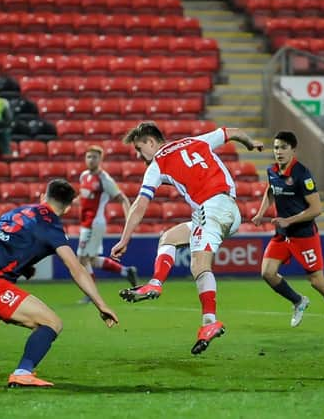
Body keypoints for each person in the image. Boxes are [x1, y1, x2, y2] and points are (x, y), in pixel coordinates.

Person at [111, 121, 263, 355]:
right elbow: (232, 132)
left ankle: (209, 321)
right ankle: (155, 283)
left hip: (211, 207)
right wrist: (251, 144)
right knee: (169, 238)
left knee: (199, 265)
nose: (141, 157)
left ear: (151, 142)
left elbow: (140, 204)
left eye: (140, 150)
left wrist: (124, 239)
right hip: (231, 210)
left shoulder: (157, 163)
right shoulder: (196, 140)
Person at [0, 179, 118, 387]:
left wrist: (22, 265)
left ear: (42, 197)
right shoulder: (52, 227)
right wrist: (101, 305)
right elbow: (76, 268)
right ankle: (23, 372)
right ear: (66, 208)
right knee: (52, 323)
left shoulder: (18, 211)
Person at [251, 131, 324, 337]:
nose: (279, 152)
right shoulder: (272, 170)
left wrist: (288, 220)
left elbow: (316, 209)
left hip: (303, 235)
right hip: (283, 234)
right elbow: (271, 190)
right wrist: (260, 213)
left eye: (283, 147)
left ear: (293, 149)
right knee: (267, 272)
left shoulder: (302, 174)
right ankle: (298, 301)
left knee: (317, 281)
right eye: (276, 147)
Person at [77, 145, 137, 304]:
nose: (91, 160)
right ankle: (126, 271)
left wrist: (129, 219)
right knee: (92, 259)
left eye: (94, 157)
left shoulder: (105, 179)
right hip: (85, 223)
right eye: (88, 157)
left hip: (95, 223)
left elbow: (122, 198)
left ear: (100, 159)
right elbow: (82, 198)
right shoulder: (84, 176)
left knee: (82, 259)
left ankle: (91, 293)